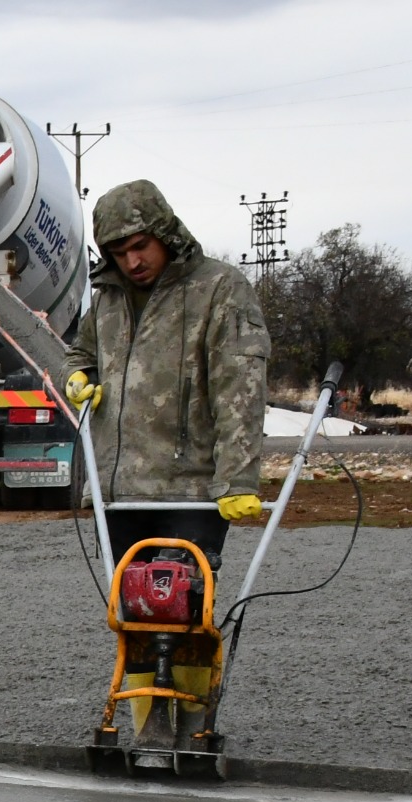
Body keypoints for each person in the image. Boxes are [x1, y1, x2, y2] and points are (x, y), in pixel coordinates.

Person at [64, 180, 270, 571]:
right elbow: (80, 352)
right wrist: (75, 374)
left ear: (165, 233)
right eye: (119, 253)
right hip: (117, 491)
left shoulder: (219, 289)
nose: (132, 262)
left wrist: (237, 479)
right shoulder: (107, 298)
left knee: (176, 610)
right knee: (132, 611)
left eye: (140, 246)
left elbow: (239, 389)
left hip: (188, 492)